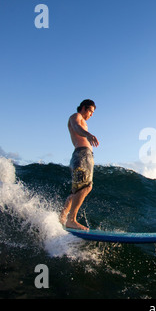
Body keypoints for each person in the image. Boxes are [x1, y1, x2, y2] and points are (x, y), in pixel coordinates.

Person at [59, 99, 99, 230]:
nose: (91, 115)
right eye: (91, 111)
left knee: (76, 190)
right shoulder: (76, 117)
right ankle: (71, 219)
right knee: (86, 187)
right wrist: (88, 134)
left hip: (80, 155)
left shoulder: (82, 120)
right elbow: (76, 127)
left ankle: (63, 218)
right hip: (82, 154)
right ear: (83, 108)